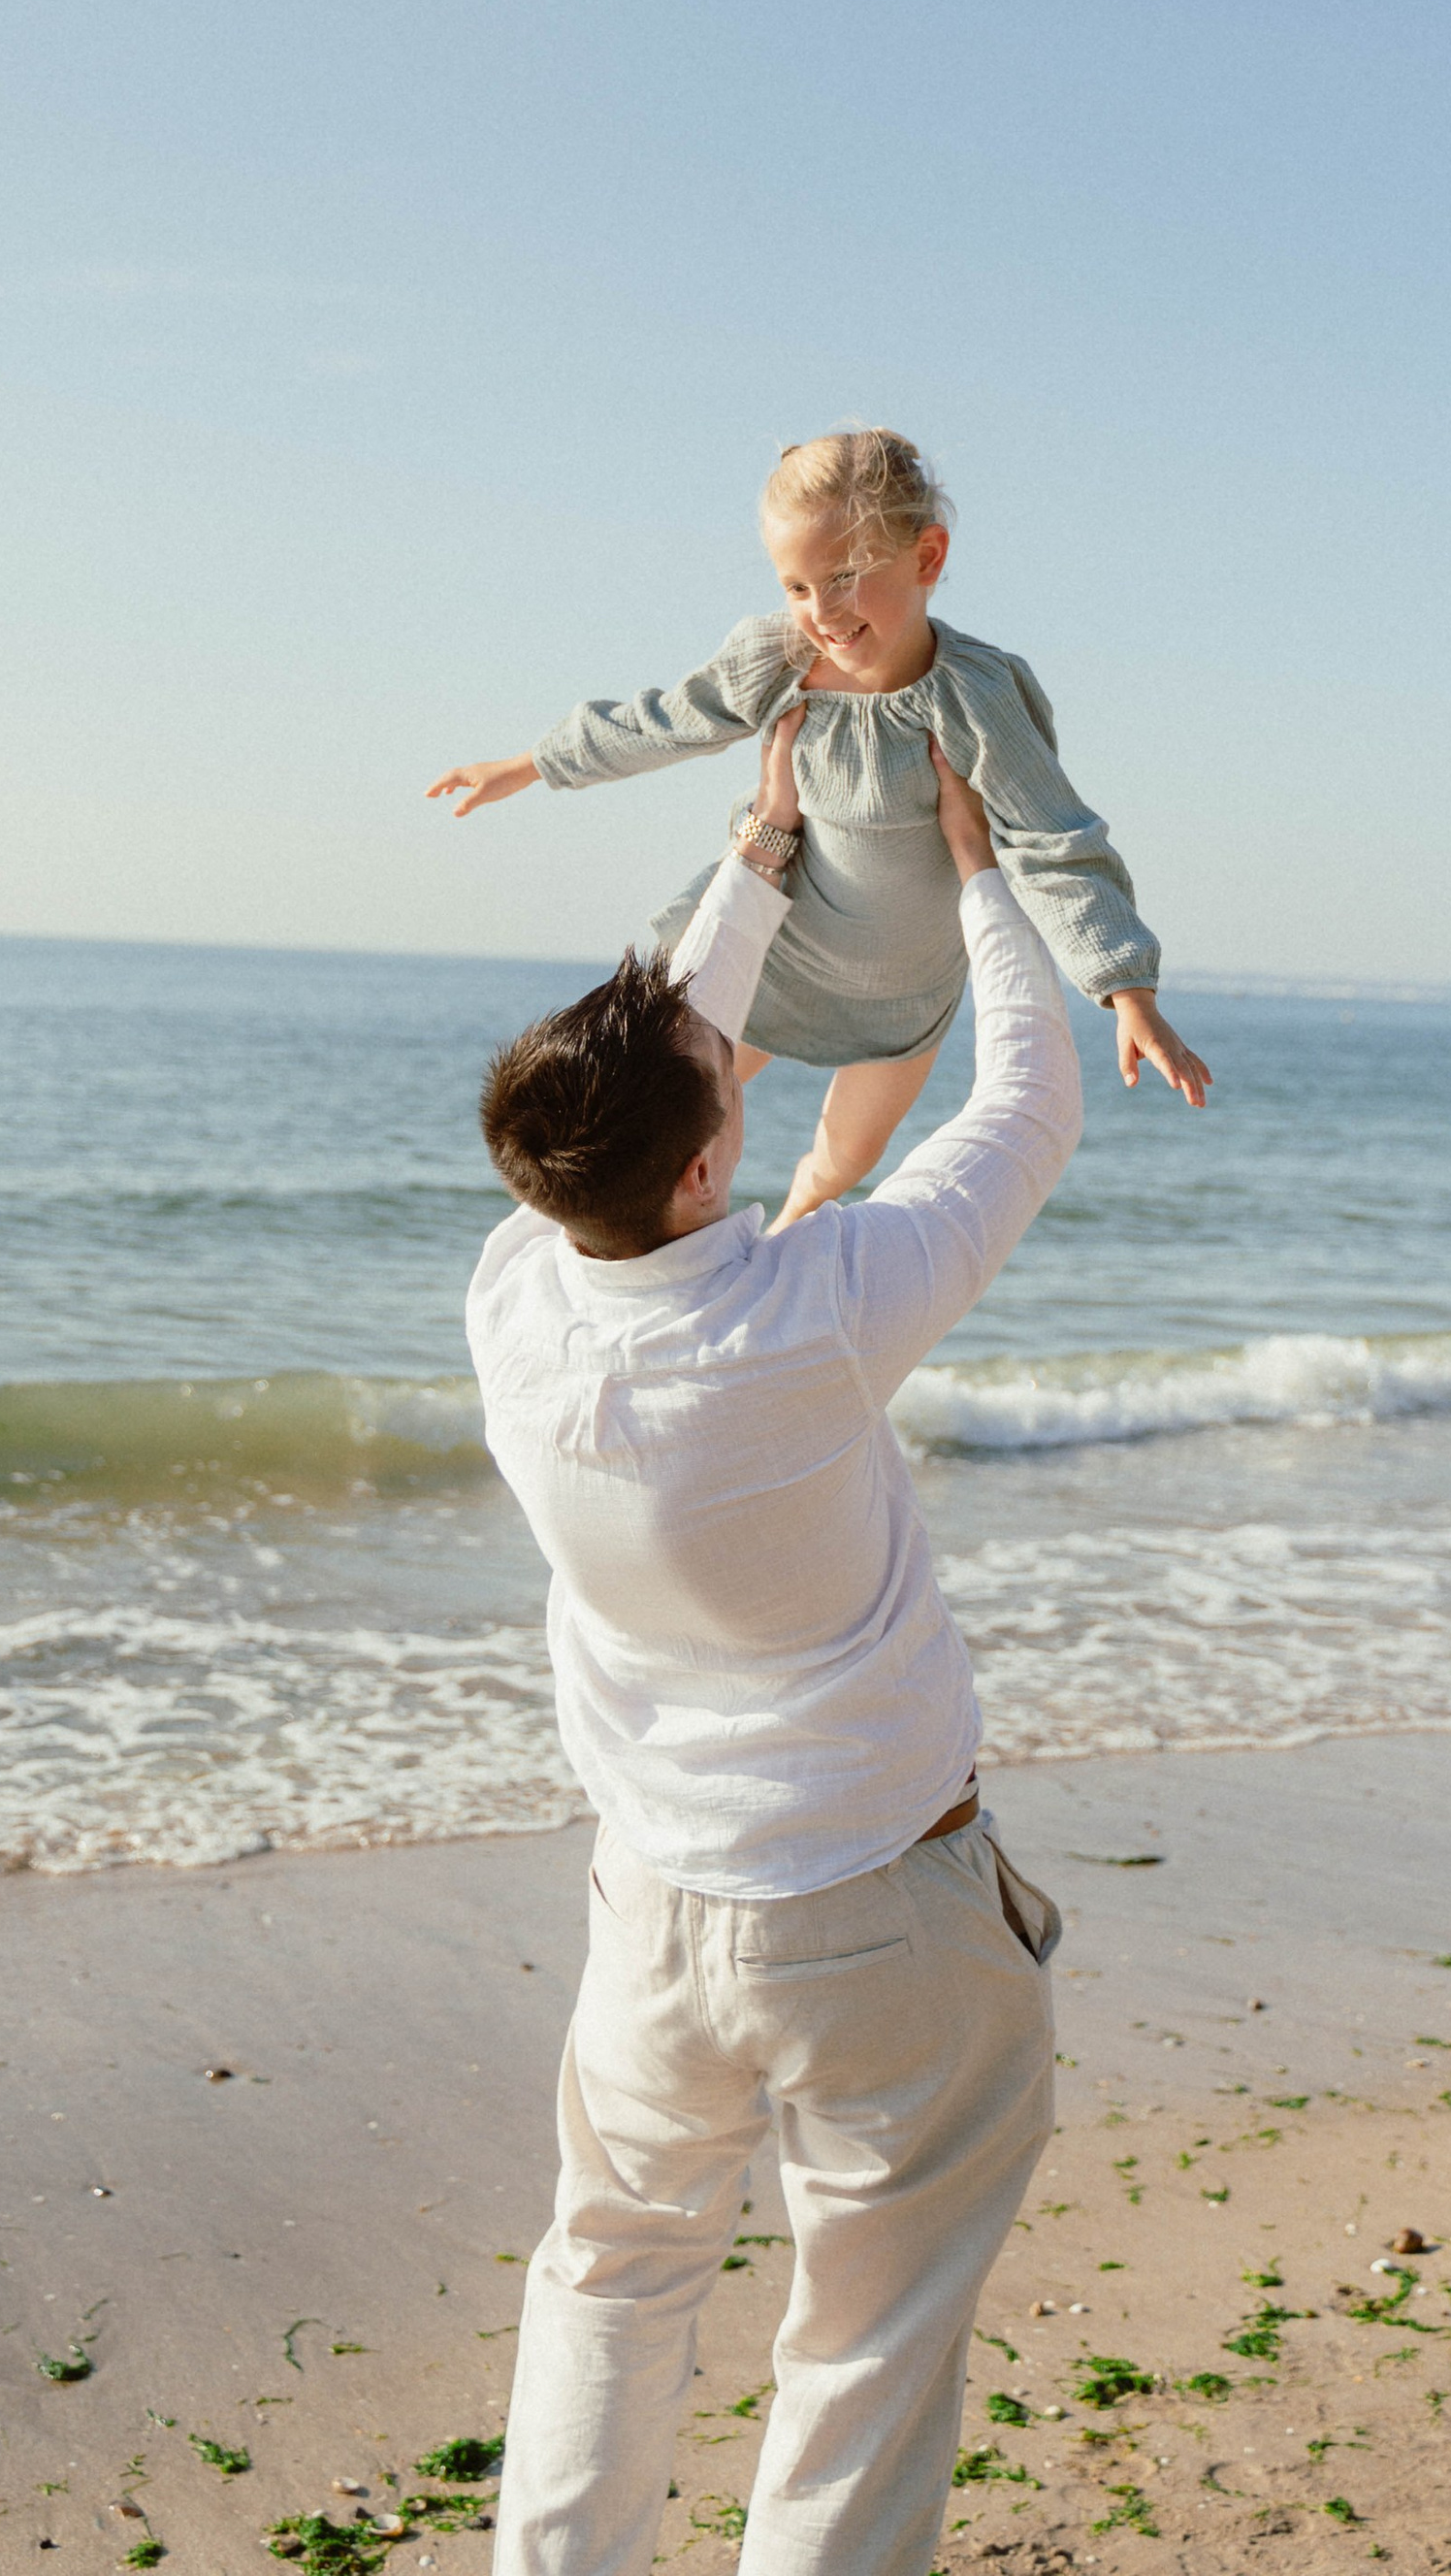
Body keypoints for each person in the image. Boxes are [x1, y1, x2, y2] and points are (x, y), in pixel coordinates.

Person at [466, 712, 1082, 2576]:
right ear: (709, 1163)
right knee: (865, 2336)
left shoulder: (515, 1294)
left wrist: (757, 856)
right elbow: (1022, 1110)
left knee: (610, 2274)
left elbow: (673, 1047)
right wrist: (984, 879)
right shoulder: (814, 1315)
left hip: (655, 1913)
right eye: (722, 1080)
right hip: (876, 1917)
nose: (734, 1061)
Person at [429, 425, 1208, 1225]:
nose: (821, 611)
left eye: (844, 577)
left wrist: (1126, 989)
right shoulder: (775, 661)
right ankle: (595, 1249)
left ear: (927, 559)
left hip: (901, 987)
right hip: (779, 946)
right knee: (653, 1109)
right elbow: (664, 721)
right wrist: (531, 763)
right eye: (796, 586)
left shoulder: (975, 696)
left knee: (844, 1160)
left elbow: (1052, 839)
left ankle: (786, 1246)